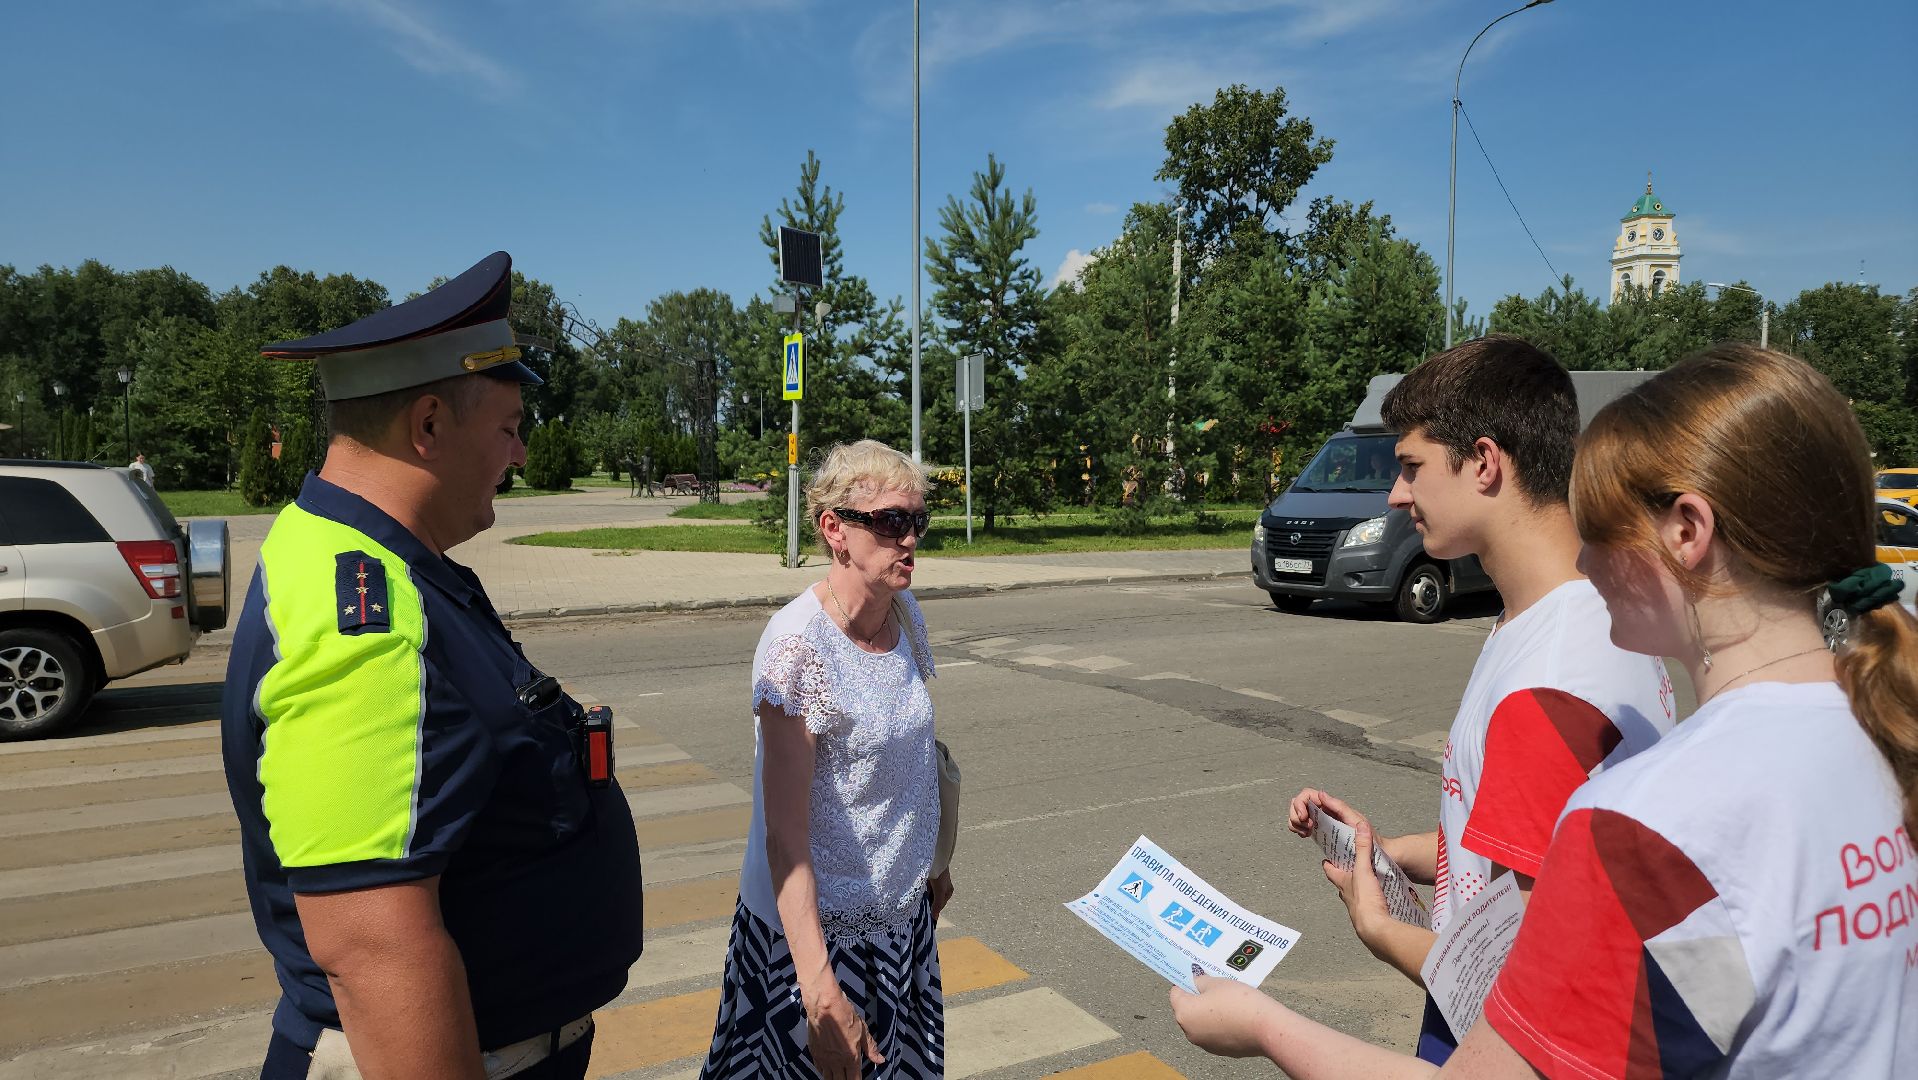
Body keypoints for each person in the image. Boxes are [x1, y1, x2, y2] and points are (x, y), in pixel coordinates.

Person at [1169, 344, 1918, 1077]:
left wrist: (1268, 1021)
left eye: (1603, 527)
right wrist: (1396, 856)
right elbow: (1704, 1011)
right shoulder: (1880, 730)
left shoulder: (1647, 817)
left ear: (1688, 532)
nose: (1585, 560)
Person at [220, 251, 644, 1080]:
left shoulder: (372, 560)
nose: (521, 455)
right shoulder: (365, 622)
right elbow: (372, 947)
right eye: (510, 427)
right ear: (429, 425)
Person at [1284, 336, 1673, 1062]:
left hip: (1500, 1044)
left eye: (1412, 467)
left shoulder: (1548, 678)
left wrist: (1378, 927)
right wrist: (1384, 853)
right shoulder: (1580, 614)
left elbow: (1518, 987)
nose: (1396, 494)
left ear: (1486, 462)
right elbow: (1525, 858)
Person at [701, 439, 950, 1080]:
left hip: (901, 924)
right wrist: (818, 990)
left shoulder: (904, 613)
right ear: (834, 529)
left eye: (917, 520)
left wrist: (933, 864)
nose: (909, 540)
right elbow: (784, 836)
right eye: (891, 521)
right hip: (813, 944)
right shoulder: (798, 648)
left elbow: (911, 755)